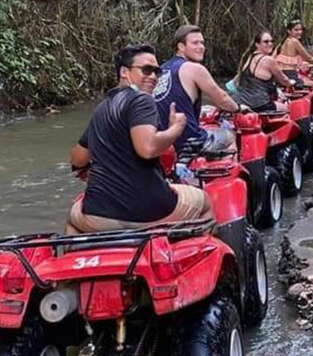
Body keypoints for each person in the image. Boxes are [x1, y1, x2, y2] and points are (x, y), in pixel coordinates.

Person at [67, 44, 212, 234]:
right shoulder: (142, 100)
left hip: (98, 212)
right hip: (147, 211)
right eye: (146, 70)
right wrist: (175, 129)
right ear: (124, 72)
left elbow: (77, 160)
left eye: (157, 72)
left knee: (73, 219)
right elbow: (147, 148)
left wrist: (90, 168)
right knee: (205, 202)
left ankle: (77, 259)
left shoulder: (101, 108)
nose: (153, 76)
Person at [154, 25, 239, 155]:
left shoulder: (161, 69)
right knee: (229, 136)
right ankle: (234, 173)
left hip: (162, 140)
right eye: (195, 43)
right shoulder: (193, 68)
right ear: (181, 47)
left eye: (202, 43)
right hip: (187, 140)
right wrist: (238, 108)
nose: (201, 47)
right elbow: (222, 99)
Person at [233, 31, 294, 113]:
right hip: (259, 105)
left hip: (240, 103)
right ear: (257, 44)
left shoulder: (249, 57)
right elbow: (283, 79)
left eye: (272, 41)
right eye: (266, 42)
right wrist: (290, 83)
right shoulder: (269, 60)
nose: (270, 44)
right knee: (288, 109)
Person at [274, 19, 313, 88]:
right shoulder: (294, 41)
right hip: (290, 74)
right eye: (296, 30)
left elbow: (272, 58)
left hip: (279, 75)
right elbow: (307, 57)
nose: (299, 32)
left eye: (300, 29)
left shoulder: (281, 43)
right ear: (289, 31)